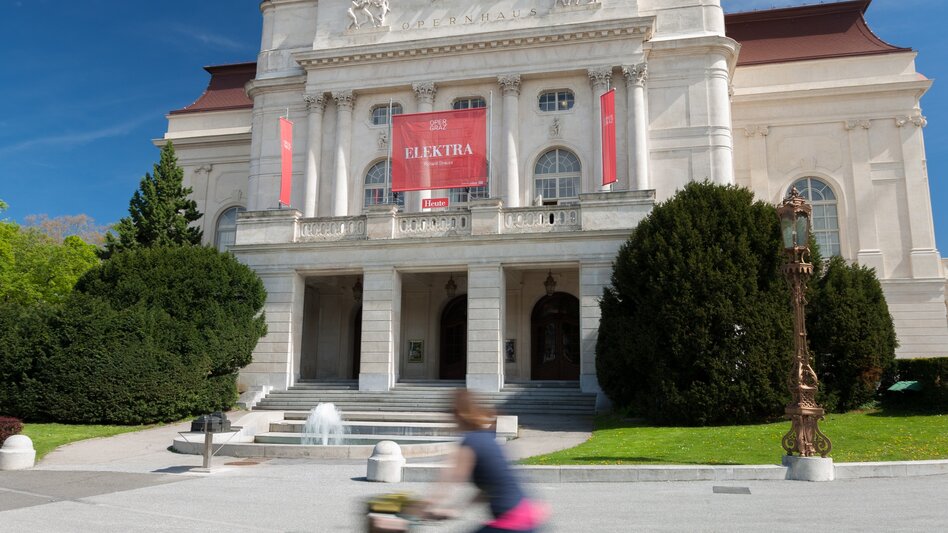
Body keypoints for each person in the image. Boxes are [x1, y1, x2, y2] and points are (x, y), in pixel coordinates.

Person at [426, 389, 548, 532]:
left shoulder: (469, 443)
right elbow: (488, 489)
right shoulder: (486, 437)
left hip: (512, 522)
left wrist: (427, 505)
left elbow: (450, 482)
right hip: (526, 515)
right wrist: (457, 509)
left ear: (457, 414)